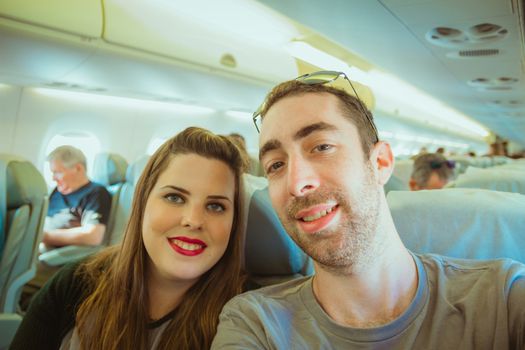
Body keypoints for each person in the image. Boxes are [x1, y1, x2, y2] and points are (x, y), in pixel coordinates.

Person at [211, 71, 525, 349]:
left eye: (321, 147)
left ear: (381, 163)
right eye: (276, 165)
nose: (296, 182)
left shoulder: (503, 299)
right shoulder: (255, 325)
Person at [11, 127, 246, 349]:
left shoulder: (247, 319)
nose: (193, 220)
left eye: (216, 206)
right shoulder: (76, 284)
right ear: (142, 202)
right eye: (175, 198)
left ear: (234, 222)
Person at [43, 145, 112, 248]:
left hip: (56, 256)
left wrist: (42, 236)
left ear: (78, 168)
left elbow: (93, 236)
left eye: (57, 172)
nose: (53, 179)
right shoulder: (55, 192)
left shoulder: (96, 193)